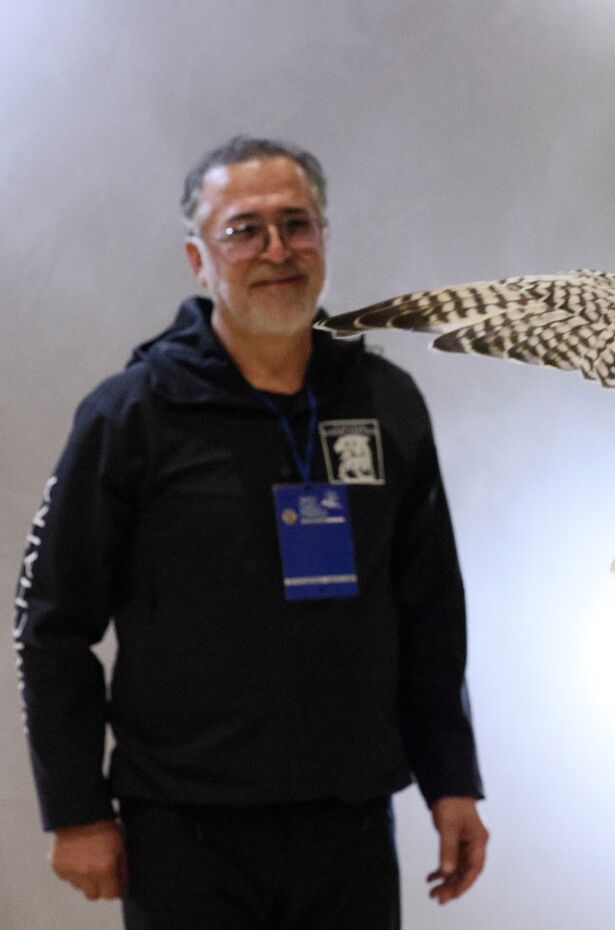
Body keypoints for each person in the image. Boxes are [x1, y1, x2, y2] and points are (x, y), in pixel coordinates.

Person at [13, 136, 487, 929]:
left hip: (351, 821)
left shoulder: (385, 400)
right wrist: (76, 809)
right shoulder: (131, 415)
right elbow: (53, 625)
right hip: (187, 830)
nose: (277, 250)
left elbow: (430, 608)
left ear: (324, 239)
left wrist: (453, 780)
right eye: (245, 230)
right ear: (200, 258)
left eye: (297, 225)